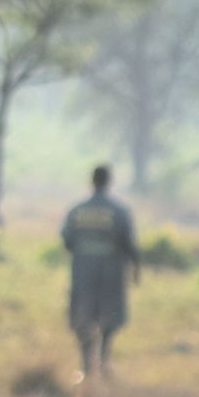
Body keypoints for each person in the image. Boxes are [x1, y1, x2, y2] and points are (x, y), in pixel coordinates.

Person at [59, 163, 140, 382]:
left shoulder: (77, 210)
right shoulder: (119, 210)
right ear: (108, 181)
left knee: (82, 315)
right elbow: (128, 242)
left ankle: (86, 364)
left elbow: (67, 240)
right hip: (111, 271)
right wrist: (136, 267)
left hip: (83, 270)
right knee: (110, 316)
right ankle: (103, 359)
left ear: (91, 181)